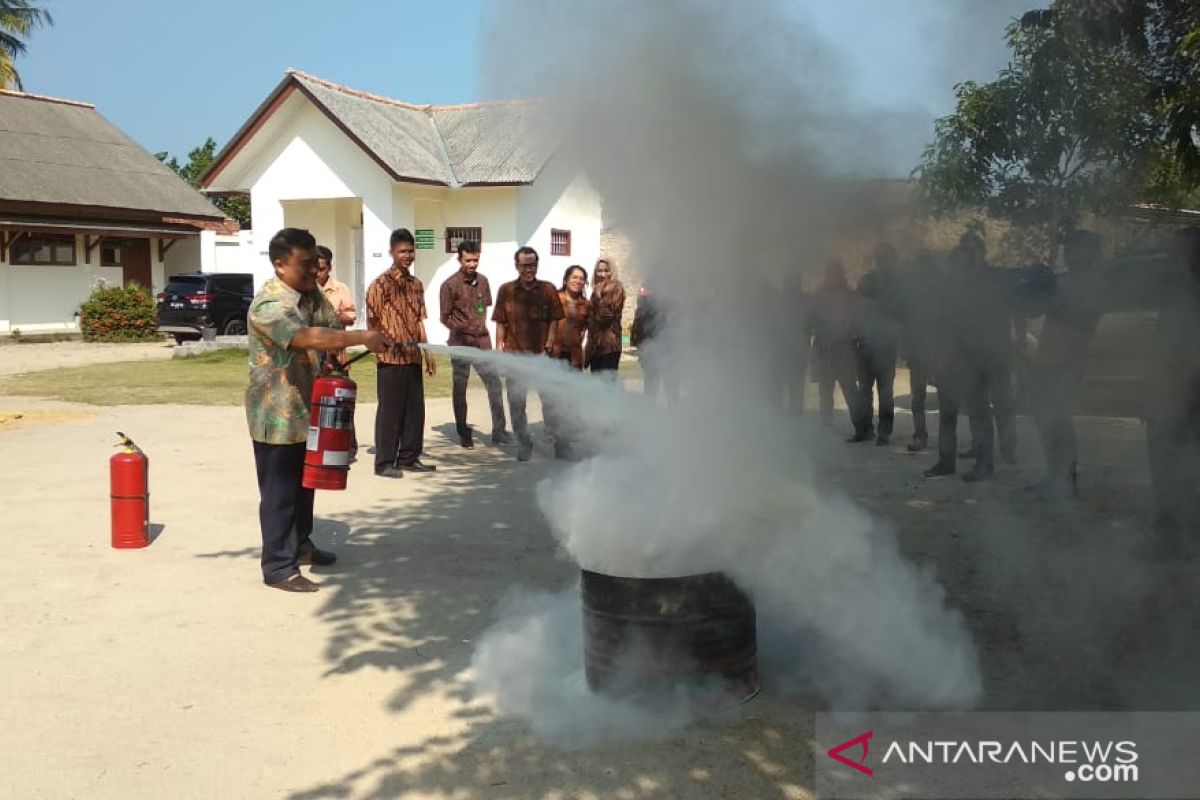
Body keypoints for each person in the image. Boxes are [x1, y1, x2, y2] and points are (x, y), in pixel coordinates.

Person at [246, 228, 391, 592]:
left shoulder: (312, 297)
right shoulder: (270, 303)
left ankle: (302, 545)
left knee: (306, 484)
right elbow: (304, 337)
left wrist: (335, 356)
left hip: (308, 409)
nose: (314, 271)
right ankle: (279, 566)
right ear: (280, 265)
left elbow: (328, 328)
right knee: (280, 494)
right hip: (276, 416)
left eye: (316, 264)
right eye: (305, 264)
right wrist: (361, 338)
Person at [924, 233, 1014, 481]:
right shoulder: (947, 291)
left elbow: (995, 322)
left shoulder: (987, 286)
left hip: (978, 359)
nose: (959, 267)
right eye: (956, 262)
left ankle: (985, 465)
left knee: (979, 412)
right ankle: (945, 462)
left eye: (965, 260)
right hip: (952, 359)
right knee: (948, 413)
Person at [1026, 230, 1104, 501]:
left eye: (1073, 248)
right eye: (1067, 249)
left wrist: (1051, 291)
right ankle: (1055, 477)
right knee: (1047, 420)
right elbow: (1033, 309)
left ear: (1089, 252)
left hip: (1068, 362)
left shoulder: (1092, 282)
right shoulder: (1066, 279)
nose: (1067, 253)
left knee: (1059, 422)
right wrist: (1037, 285)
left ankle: (1065, 483)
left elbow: (1079, 315)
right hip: (1051, 359)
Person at [1144, 227, 1200, 557]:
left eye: (1179, 252)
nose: (1172, 257)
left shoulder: (1188, 295)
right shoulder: (1179, 292)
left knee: (1176, 467)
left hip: (1184, 397)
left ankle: (1174, 539)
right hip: (1172, 395)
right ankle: (1178, 536)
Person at [366, 228, 437, 478]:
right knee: (390, 411)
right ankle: (384, 462)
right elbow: (372, 322)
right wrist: (379, 345)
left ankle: (409, 457)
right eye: (402, 251)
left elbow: (419, 320)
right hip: (390, 358)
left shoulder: (416, 285)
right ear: (391, 253)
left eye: (410, 250)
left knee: (415, 411)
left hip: (413, 356)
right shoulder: (380, 285)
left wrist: (427, 352)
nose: (407, 255)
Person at [492, 246, 565, 461]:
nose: (529, 270)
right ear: (517, 266)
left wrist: (549, 346)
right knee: (516, 404)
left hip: (542, 357)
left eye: (532, 265)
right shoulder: (506, 290)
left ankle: (557, 444)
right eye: (524, 265)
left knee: (551, 403)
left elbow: (554, 319)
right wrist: (499, 348)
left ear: (537, 265)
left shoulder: (548, 289)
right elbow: (500, 322)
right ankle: (524, 444)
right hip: (515, 357)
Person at [439, 240, 509, 449]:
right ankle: (463, 433)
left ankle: (499, 431)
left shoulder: (484, 281)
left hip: (482, 341)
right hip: (460, 342)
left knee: (494, 384)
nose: (472, 264)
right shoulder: (449, 285)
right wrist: (460, 328)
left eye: (475, 260)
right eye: (468, 260)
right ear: (459, 259)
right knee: (460, 388)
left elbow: (483, 308)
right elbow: (444, 317)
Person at [811, 260, 870, 437]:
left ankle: (862, 428)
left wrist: (849, 334)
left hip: (843, 348)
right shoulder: (820, 296)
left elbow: (857, 320)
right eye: (830, 274)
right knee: (825, 390)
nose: (832, 278)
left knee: (850, 390)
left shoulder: (849, 296)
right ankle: (826, 428)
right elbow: (812, 319)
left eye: (835, 274)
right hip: (824, 347)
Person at [855, 244, 902, 445]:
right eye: (880, 257)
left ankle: (884, 431)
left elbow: (896, 308)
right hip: (866, 341)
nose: (883, 261)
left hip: (886, 343)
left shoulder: (898, 282)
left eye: (886, 257)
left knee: (885, 390)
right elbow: (857, 304)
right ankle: (865, 429)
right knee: (864, 390)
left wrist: (874, 305)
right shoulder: (869, 279)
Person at [316, 245, 359, 460]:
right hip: (313, 354)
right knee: (316, 402)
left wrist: (331, 316)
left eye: (322, 268)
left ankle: (348, 447)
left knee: (342, 402)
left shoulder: (340, 289)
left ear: (329, 267)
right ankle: (319, 445)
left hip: (337, 353)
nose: (318, 273)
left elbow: (351, 316)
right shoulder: (305, 290)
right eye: (314, 267)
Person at [898, 249, 943, 452]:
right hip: (924, 351)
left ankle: (924, 436)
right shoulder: (913, 294)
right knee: (921, 398)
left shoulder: (939, 292)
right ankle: (922, 436)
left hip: (936, 350)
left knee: (923, 397)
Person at [548, 264, 591, 459]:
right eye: (574, 277)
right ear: (566, 279)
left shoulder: (586, 304)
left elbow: (584, 329)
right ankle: (561, 444)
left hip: (573, 357)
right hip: (555, 355)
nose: (578, 281)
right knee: (557, 400)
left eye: (581, 278)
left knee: (571, 400)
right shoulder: (555, 298)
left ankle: (567, 438)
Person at [631, 284, 678, 406]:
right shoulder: (644, 303)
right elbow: (638, 326)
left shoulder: (670, 301)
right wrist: (641, 346)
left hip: (668, 351)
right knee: (650, 388)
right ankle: (650, 415)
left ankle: (676, 415)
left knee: (671, 388)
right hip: (650, 350)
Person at [587, 258, 626, 378]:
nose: (603, 274)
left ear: (611, 271)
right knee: (597, 386)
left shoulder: (616, 287)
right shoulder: (597, 290)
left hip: (610, 346)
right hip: (596, 347)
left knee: (607, 387)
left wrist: (597, 297)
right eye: (599, 271)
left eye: (606, 270)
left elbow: (605, 315)